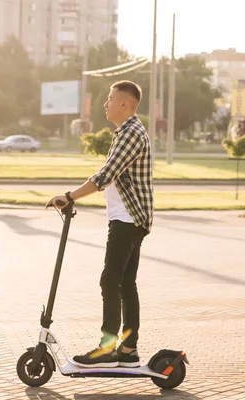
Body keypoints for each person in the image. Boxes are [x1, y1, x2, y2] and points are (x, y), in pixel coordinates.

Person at [46, 80, 153, 368]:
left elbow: (106, 174)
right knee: (126, 284)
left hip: (127, 220)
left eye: (110, 99)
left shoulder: (131, 133)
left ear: (124, 103)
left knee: (110, 280)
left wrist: (69, 196)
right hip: (132, 218)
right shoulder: (127, 132)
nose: (106, 104)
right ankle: (128, 350)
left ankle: (108, 349)